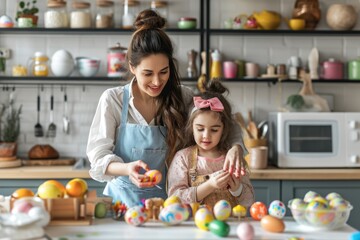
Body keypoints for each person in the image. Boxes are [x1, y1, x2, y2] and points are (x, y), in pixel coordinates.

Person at [86, 9, 246, 208]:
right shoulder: (113, 100)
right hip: (121, 204)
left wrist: (236, 148)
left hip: (172, 205)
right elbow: (98, 157)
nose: (156, 81)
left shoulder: (183, 97)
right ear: (132, 67)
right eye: (147, 73)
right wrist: (127, 168)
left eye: (164, 72)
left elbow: (222, 119)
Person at [167, 80, 255, 208]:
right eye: (200, 129)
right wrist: (209, 185)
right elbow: (174, 199)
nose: (206, 136)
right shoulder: (183, 158)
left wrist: (237, 189)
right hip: (193, 227)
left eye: (214, 130)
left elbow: (249, 201)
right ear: (191, 127)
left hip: (230, 226)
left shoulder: (232, 159)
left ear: (224, 129)